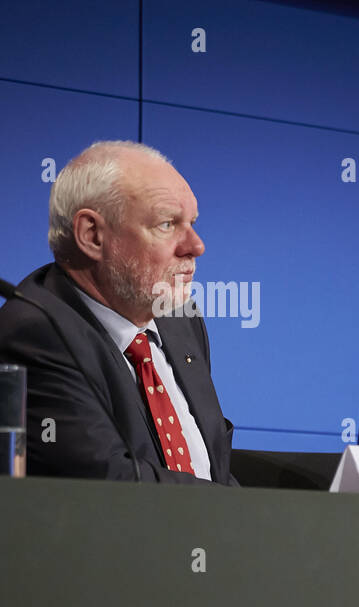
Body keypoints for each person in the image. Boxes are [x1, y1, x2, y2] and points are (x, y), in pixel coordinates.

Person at [0, 141, 236, 483]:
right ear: (92, 235)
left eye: (192, 223)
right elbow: (110, 483)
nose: (196, 246)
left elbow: (216, 466)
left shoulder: (179, 319)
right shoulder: (36, 334)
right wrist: (248, 512)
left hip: (206, 533)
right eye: (167, 224)